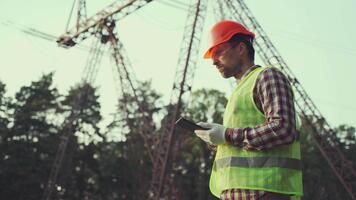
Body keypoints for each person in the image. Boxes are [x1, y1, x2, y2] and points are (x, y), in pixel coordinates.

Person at [194, 20, 303, 200]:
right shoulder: (240, 90)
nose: (213, 61)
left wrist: (227, 135)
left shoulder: (267, 77)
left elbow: (283, 129)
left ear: (241, 49)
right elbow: (242, 145)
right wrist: (217, 139)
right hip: (238, 194)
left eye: (219, 52)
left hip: (264, 192)